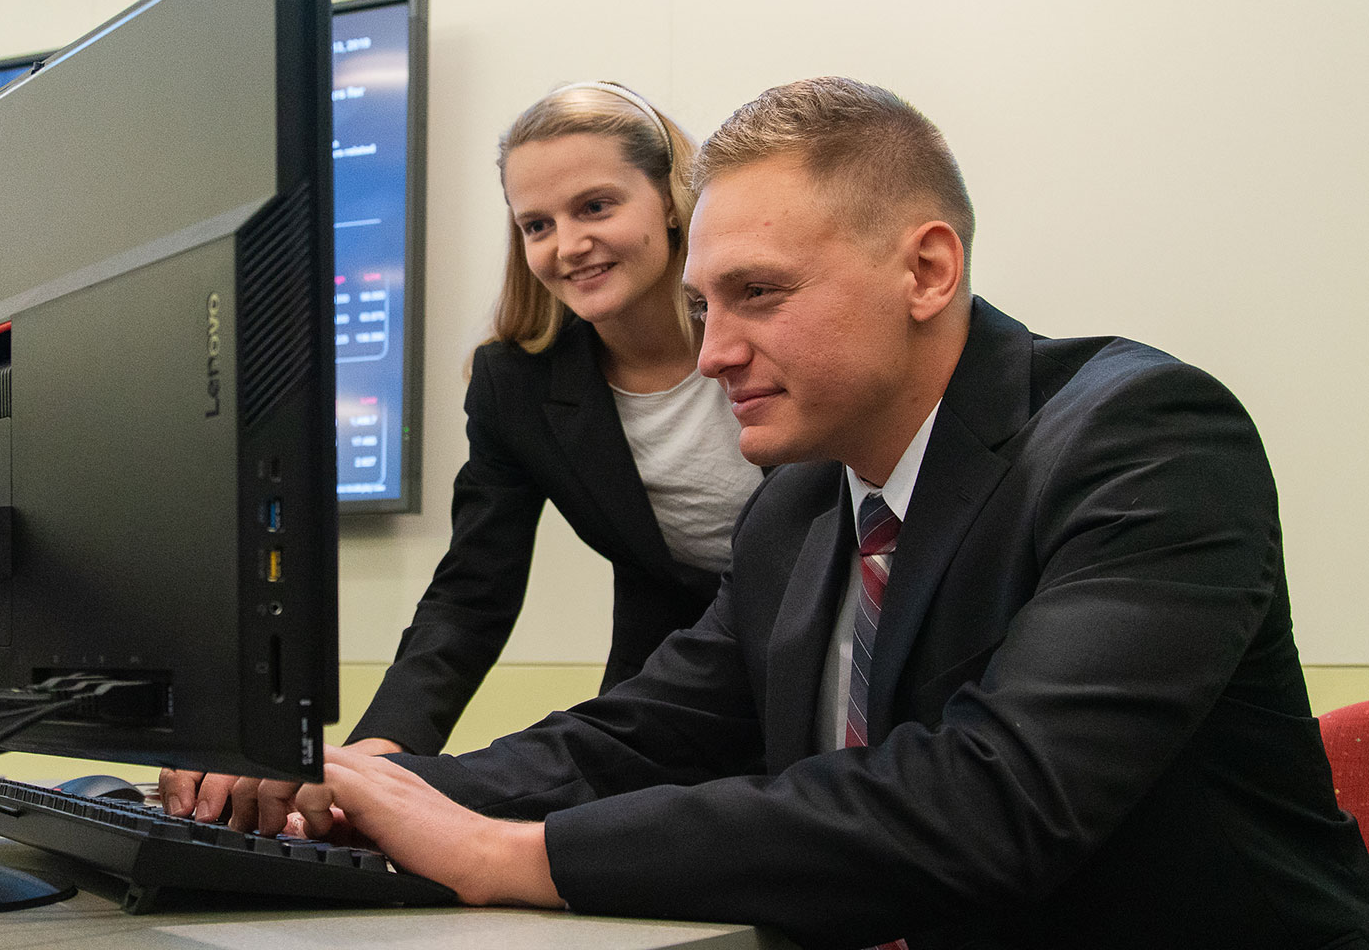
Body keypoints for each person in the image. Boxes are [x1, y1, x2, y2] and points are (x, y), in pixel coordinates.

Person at [253, 78, 1369, 948]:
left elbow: (992, 802)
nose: (712, 351)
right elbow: (641, 738)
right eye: (703, 304)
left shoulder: (1147, 440)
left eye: (759, 295)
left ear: (927, 270)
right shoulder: (797, 509)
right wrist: (359, 795)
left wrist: (520, 856)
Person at [165, 82, 762, 824]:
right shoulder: (515, 382)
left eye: (596, 206)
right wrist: (383, 751)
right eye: (536, 224)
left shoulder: (764, 330)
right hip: (670, 694)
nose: (568, 245)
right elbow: (471, 591)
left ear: (672, 199)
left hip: (820, 654)